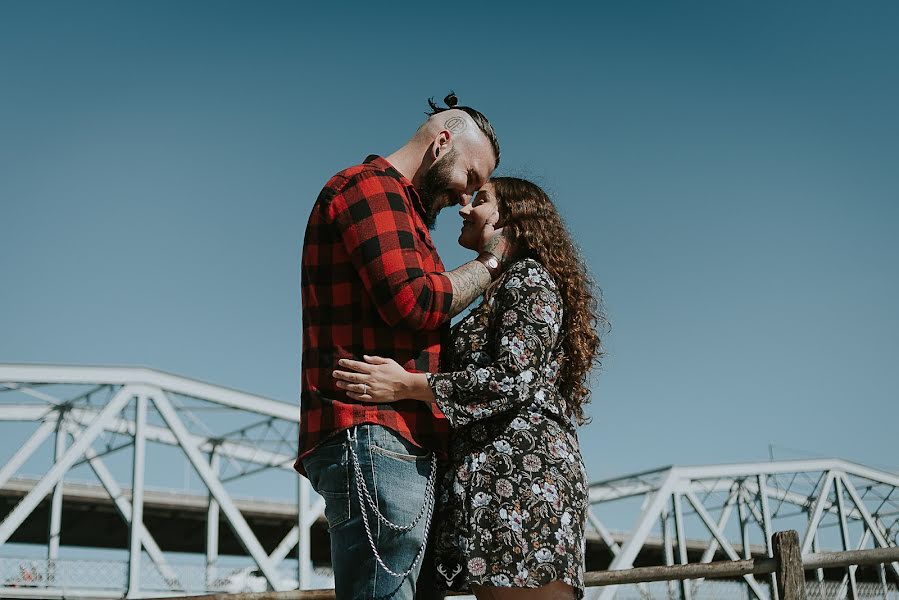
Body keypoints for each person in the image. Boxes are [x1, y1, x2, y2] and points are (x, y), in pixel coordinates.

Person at [334, 177, 605, 600]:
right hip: (490, 482)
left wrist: (407, 386)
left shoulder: (529, 278)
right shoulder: (499, 291)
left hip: (524, 479)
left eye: (480, 200)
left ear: (510, 218)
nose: (464, 208)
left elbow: (511, 379)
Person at [296, 93, 514, 600]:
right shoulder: (369, 189)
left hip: (395, 440)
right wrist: (494, 263)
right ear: (442, 143)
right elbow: (414, 301)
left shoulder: (405, 211)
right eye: (472, 178)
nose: (467, 199)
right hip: (375, 435)